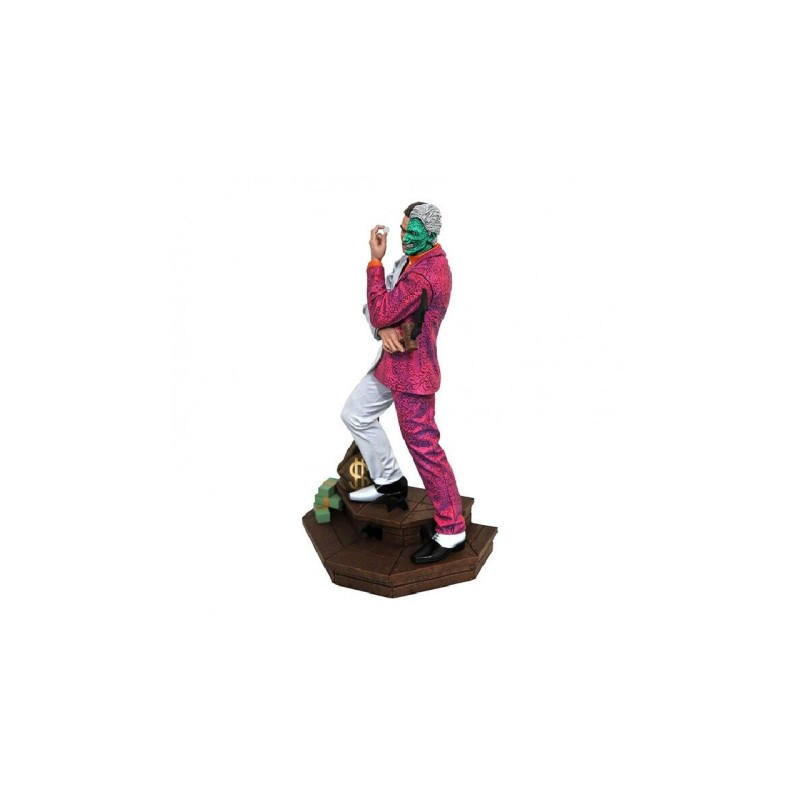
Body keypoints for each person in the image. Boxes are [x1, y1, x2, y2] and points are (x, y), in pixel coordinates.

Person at [340, 202, 466, 565]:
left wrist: (374, 262)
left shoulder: (425, 273)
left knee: (425, 449)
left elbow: (380, 309)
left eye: (413, 231)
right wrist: (383, 329)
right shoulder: (415, 260)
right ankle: (390, 482)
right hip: (392, 363)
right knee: (356, 413)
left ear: (431, 234)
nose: (405, 236)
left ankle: (452, 529)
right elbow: (380, 314)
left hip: (413, 373)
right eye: (403, 229)